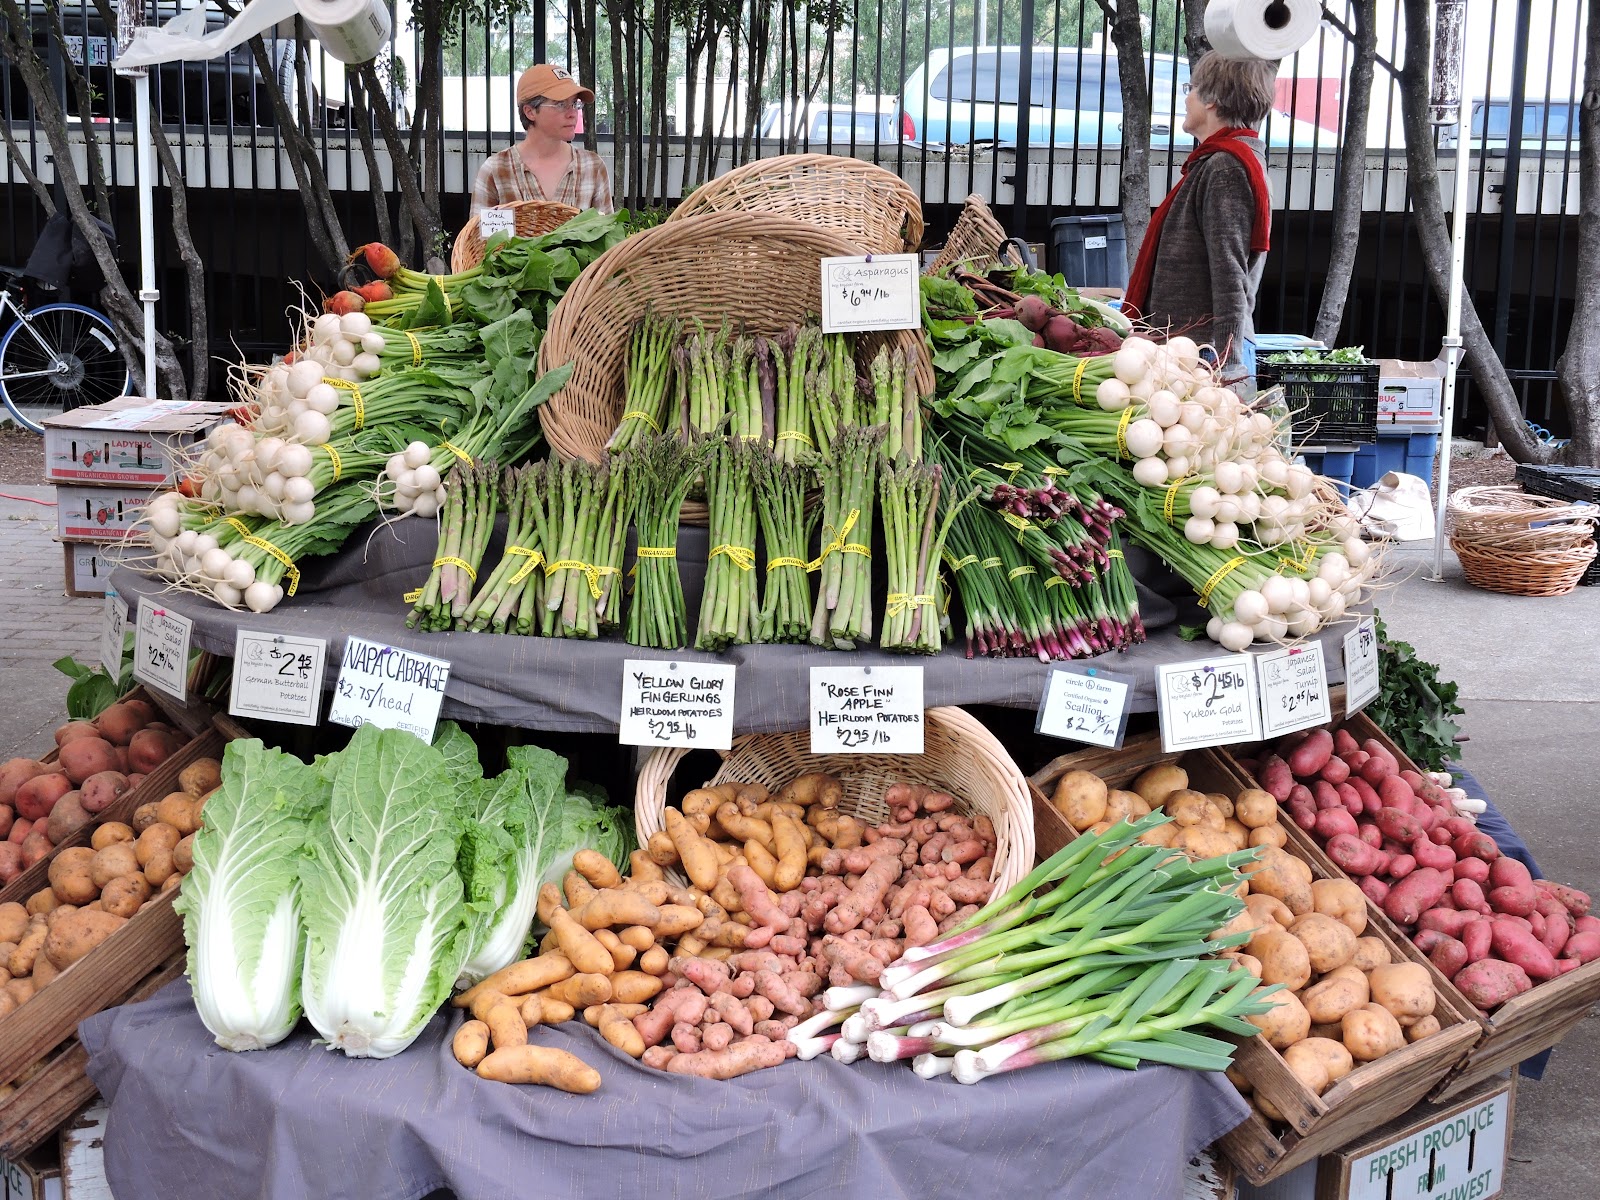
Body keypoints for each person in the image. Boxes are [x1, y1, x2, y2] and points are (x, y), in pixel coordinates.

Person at [1123, 53, 1278, 387]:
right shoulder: (1223, 161)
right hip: (1192, 351)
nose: (1186, 97)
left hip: (1202, 357)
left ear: (1213, 100)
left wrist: (1227, 365)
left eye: (1191, 88)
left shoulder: (1227, 168)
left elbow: (1229, 273)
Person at [471, 64, 613, 217]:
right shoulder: (497, 170)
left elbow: (609, 237)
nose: (573, 113)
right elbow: (478, 238)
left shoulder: (592, 167)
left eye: (574, 104)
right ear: (530, 111)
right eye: (560, 104)